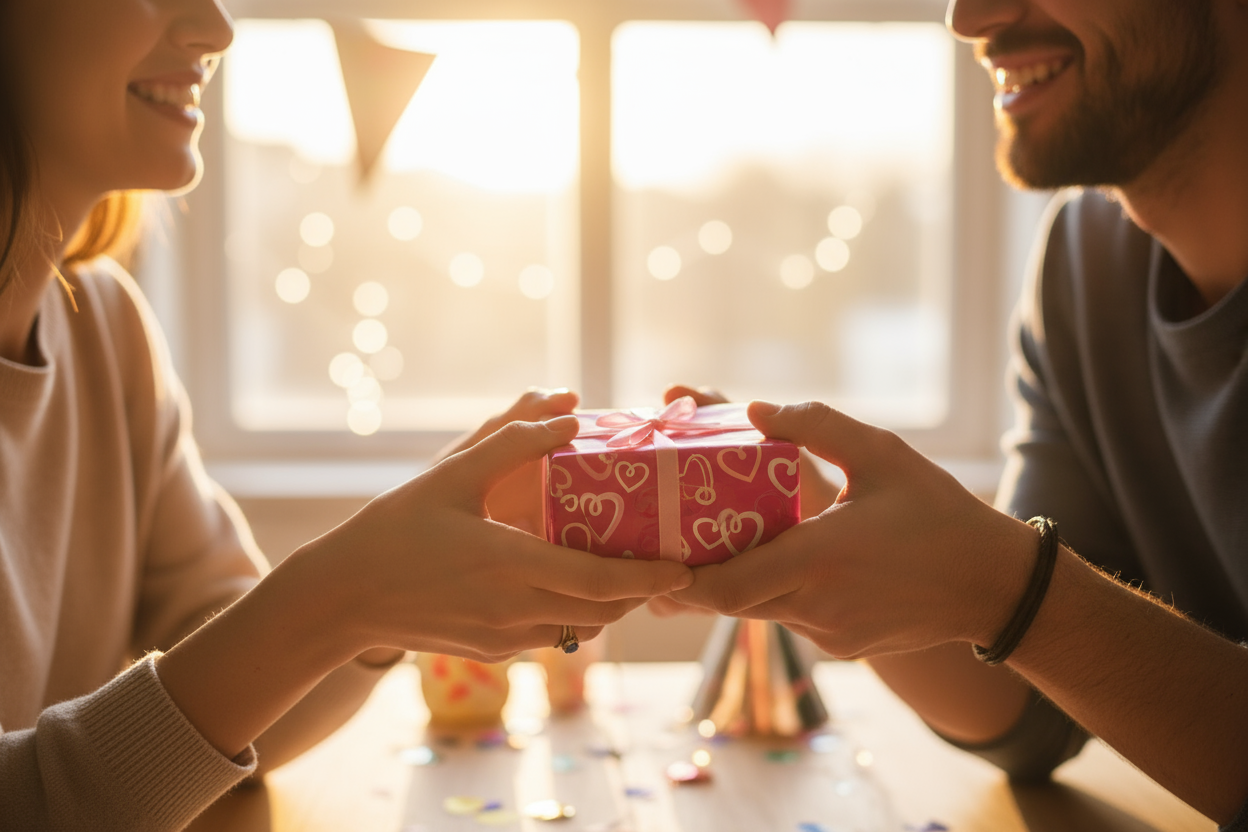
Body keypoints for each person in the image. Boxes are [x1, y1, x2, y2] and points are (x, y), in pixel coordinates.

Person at [0, 0, 692, 828]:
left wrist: (382, 606)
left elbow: (233, 715)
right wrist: (340, 597)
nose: (216, 29)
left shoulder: (105, 328)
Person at [661, 0, 1248, 827]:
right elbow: (1033, 710)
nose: (969, 18)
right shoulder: (1085, 263)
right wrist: (805, 522)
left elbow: (1032, 616)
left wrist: (1002, 587)